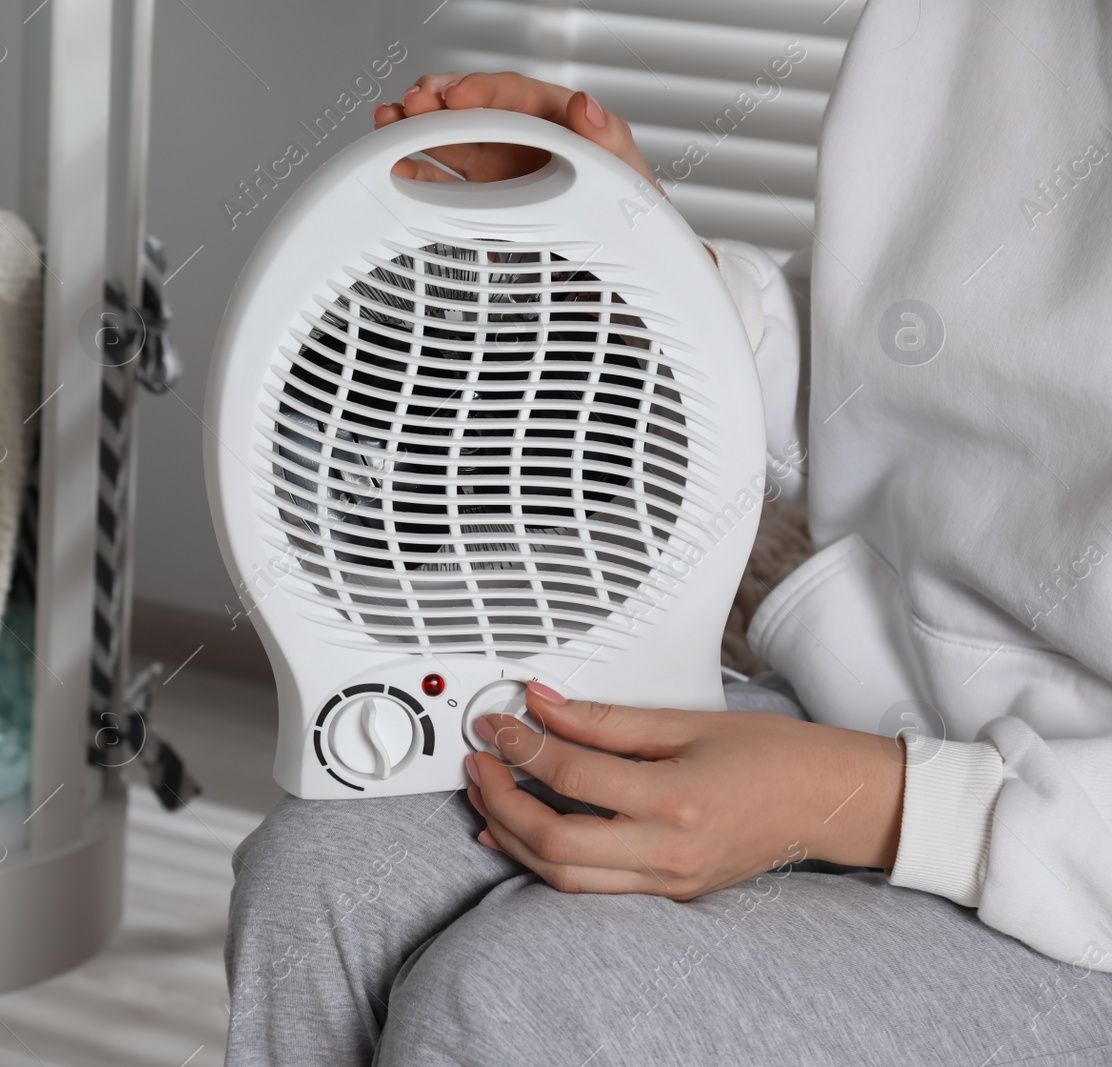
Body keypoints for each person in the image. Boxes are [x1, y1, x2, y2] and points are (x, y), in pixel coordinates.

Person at [223, 3, 1112, 1064]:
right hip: (877, 711)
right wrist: (646, 262)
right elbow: (915, 395)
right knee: (319, 874)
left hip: (1066, 876)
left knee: (518, 999)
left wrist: (879, 804)